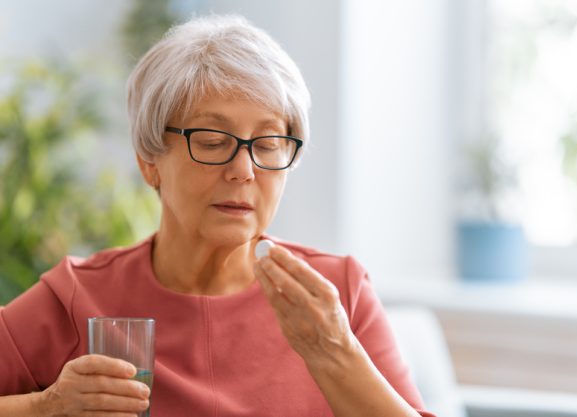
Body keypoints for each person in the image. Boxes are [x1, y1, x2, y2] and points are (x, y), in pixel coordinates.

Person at [0, 15, 435, 417]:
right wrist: (46, 406)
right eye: (211, 141)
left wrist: (335, 352)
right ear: (150, 161)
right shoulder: (78, 297)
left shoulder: (338, 293)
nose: (244, 170)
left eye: (267, 144)